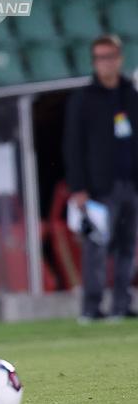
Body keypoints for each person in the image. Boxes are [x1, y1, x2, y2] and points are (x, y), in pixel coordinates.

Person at [64, 34, 138, 322]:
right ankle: (91, 308)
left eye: (110, 57)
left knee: (127, 248)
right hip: (98, 187)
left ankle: (121, 305)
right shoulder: (83, 99)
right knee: (96, 249)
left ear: (119, 59)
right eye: (100, 58)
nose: (105, 63)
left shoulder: (131, 95)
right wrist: (78, 187)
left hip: (130, 183)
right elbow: (72, 146)